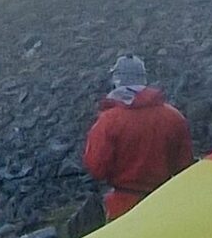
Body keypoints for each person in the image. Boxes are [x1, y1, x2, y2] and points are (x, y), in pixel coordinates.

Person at [81, 54, 195, 220]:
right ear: (144, 79)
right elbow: (184, 166)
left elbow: (97, 168)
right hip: (165, 202)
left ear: (117, 80)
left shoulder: (108, 121)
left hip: (123, 207)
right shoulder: (173, 116)